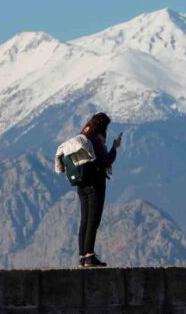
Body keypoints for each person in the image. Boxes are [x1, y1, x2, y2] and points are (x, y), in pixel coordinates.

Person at [77, 112, 121, 267]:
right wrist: (114, 148)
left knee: (84, 220)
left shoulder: (83, 137)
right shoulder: (96, 140)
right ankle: (90, 256)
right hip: (95, 184)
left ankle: (83, 256)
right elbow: (106, 161)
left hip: (81, 185)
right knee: (93, 221)